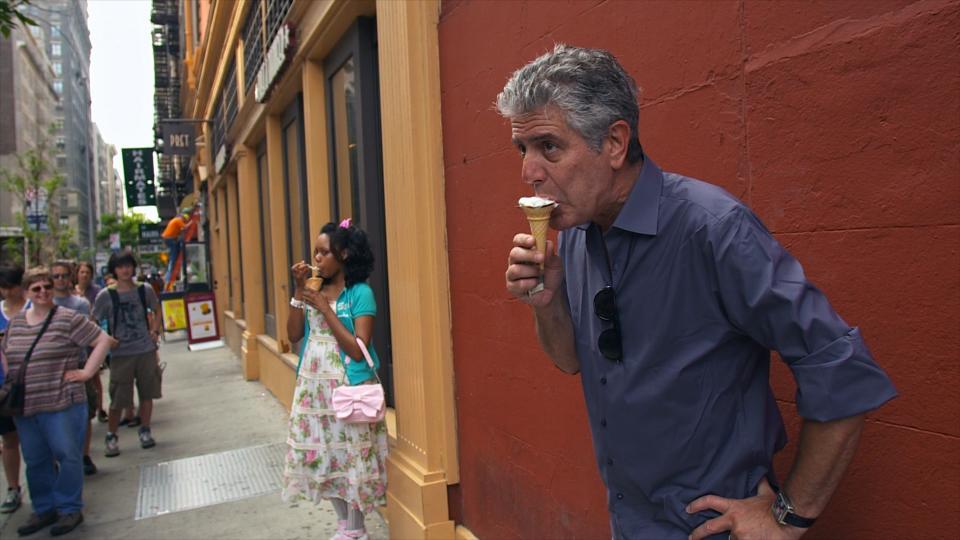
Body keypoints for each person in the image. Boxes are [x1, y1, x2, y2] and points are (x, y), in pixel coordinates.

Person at [500, 45, 897, 540]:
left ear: (615, 142)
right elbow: (570, 360)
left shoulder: (714, 229)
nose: (529, 173)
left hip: (712, 528)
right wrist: (546, 303)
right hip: (628, 519)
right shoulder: (578, 236)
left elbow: (840, 366)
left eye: (549, 147)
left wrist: (789, 517)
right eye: (523, 150)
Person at [282, 220, 388, 540]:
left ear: (343, 254)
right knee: (325, 458)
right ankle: (345, 526)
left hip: (348, 387)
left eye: (323, 252)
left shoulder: (360, 293)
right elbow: (293, 334)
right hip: (314, 391)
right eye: (315, 252)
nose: (316, 259)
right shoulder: (314, 289)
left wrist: (326, 309)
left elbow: (359, 350)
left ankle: (355, 530)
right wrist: (299, 291)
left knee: (351, 457)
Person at [1, 266, 115, 536]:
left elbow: (103, 340)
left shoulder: (67, 318)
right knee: (36, 459)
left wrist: (87, 372)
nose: (43, 292)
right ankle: (44, 508)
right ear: (27, 292)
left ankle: (69, 508)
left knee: (67, 456)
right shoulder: (16, 323)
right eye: (36, 288)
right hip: (27, 406)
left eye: (47, 287)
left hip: (62, 402)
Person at [92, 250, 162, 457]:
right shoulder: (106, 295)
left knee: (147, 392)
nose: (125, 270)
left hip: (144, 349)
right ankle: (112, 435)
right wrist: (105, 340)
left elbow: (157, 310)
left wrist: (155, 331)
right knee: (119, 398)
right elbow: (94, 321)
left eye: (128, 265)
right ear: (114, 270)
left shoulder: (144, 290)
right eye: (121, 266)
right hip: (121, 353)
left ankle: (145, 430)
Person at [50, 261, 101, 477]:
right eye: (56, 276)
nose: (60, 280)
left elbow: (94, 336)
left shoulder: (80, 304)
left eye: (64, 275)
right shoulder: (42, 303)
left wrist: (90, 368)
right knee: (55, 417)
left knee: (84, 413)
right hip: (51, 369)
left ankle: (84, 454)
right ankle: (56, 459)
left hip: (78, 363)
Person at [0, 265, 27, 514]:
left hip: (35, 385)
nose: (8, 292)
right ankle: (13, 487)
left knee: (41, 437)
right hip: (4, 389)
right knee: (9, 439)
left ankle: (51, 478)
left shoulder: (35, 307)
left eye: (12, 286)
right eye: (4, 287)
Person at [161, 207, 191, 283]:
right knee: (173, 257)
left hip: (169, 239)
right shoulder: (178, 220)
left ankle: (172, 273)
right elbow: (185, 227)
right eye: (185, 220)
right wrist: (192, 221)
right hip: (169, 239)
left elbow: (181, 231)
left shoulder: (176, 220)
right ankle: (169, 277)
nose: (184, 221)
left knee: (175, 254)